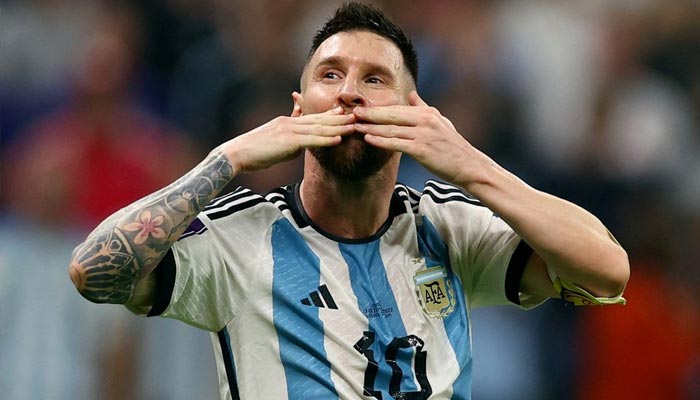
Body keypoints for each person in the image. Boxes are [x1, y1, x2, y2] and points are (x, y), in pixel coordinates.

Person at [68, 3, 629, 399]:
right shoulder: (240, 239)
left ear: (414, 111)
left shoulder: (450, 228)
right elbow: (94, 272)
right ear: (299, 109)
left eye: (375, 79)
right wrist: (229, 160)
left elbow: (607, 272)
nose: (349, 92)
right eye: (330, 75)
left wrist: (469, 163)